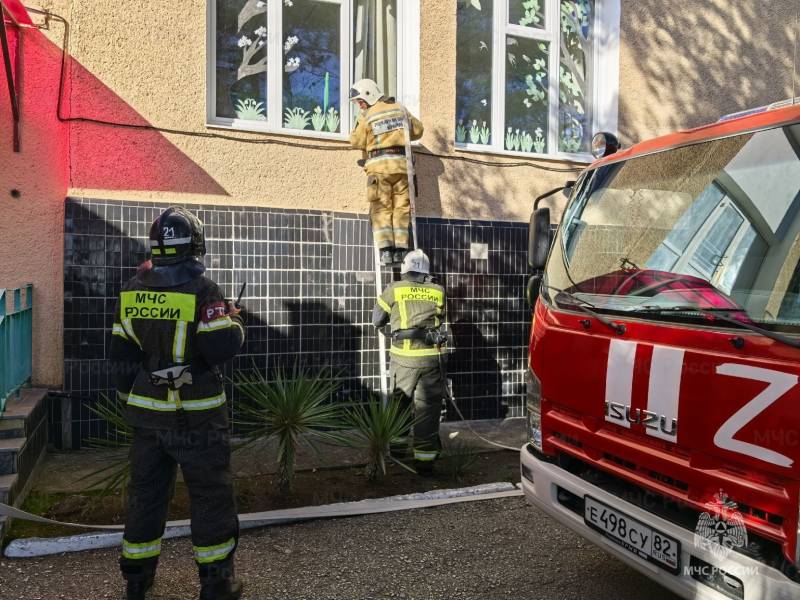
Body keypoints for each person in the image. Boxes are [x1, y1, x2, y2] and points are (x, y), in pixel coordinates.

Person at [110, 206, 245, 600]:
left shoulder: (133, 290)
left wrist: (130, 405)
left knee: (146, 496)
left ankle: (137, 581)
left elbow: (120, 356)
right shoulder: (203, 290)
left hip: (147, 419)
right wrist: (235, 322)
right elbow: (219, 348)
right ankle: (217, 585)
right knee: (210, 496)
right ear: (196, 244)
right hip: (198, 417)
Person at [371, 249, 447, 473]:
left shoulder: (394, 289)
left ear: (405, 269)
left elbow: (376, 320)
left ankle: (397, 452)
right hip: (431, 360)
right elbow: (439, 320)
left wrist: (394, 329)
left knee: (399, 404)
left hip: (403, 360)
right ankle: (425, 463)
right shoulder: (438, 291)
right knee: (428, 410)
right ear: (426, 271)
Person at [349, 78, 424, 266]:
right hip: (402, 168)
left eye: (360, 102)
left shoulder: (368, 115)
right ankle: (401, 249)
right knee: (402, 207)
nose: (360, 106)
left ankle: (385, 251)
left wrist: (362, 120)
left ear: (368, 95)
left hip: (379, 170)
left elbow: (356, 141)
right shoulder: (399, 109)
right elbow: (418, 130)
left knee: (381, 207)